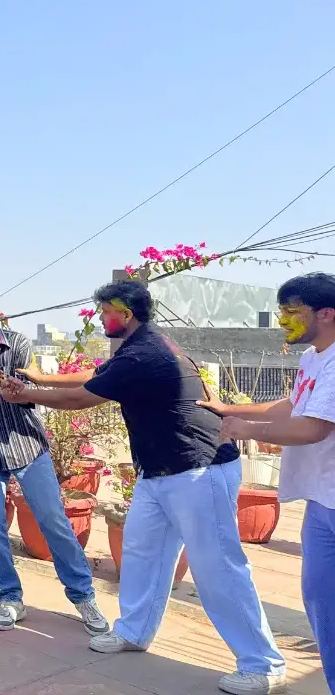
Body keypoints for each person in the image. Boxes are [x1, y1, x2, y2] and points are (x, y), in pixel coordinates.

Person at [0, 280, 285, 695]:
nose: (100, 318)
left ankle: (264, 664)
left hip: (197, 468)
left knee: (218, 568)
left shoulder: (144, 352)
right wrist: (41, 379)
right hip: (159, 471)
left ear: (125, 314)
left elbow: (84, 398)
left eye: (104, 311)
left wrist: (26, 394)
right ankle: (133, 631)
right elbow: (97, 376)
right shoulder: (141, 346)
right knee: (141, 552)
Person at [0, 286, 108, 634]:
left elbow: (26, 387)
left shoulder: (15, 343)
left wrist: (10, 386)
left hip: (25, 442)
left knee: (53, 521)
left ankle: (83, 596)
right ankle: (9, 597)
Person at [208, 273, 335, 692]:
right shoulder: (314, 358)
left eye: (291, 311)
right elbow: (295, 405)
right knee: (321, 604)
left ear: (327, 313)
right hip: (322, 501)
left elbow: (314, 428)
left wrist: (247, 429)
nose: (282, 321)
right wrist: (233, 408)